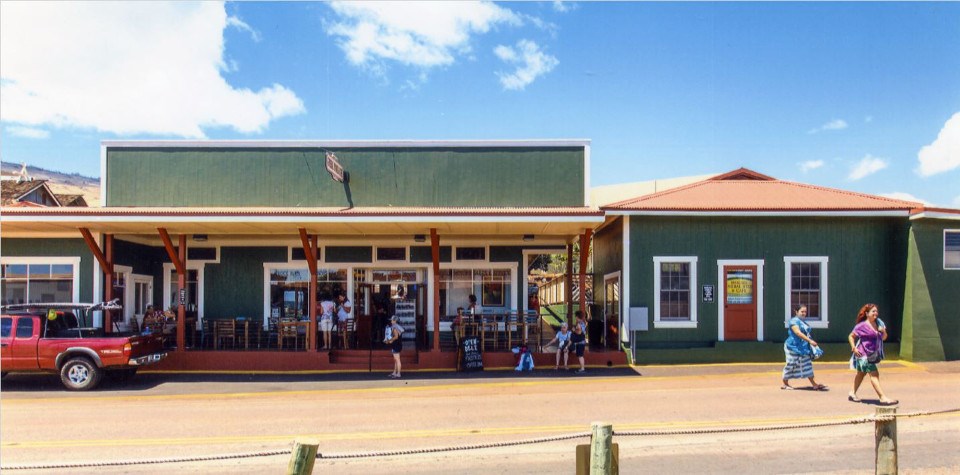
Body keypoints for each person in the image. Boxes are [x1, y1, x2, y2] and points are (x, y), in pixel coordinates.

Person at [848, 304, 897, 405]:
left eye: (876, 311)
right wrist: (854, 348)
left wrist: (883, 331)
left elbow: (883, 338)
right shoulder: (861, 326)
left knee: (861, 374)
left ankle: (852, 393)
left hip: (873, 354)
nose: (875, 313)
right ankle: (882, 397)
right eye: (873, 311)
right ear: (867, 314)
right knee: (874, 374)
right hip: (863, 354)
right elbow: (851, 336)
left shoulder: (879, 323)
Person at [781, 305, 826, 390]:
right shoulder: (793, 321)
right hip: (792, 347)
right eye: (802, 311)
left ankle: (814, 384)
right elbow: (797, 332)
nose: (804, 313)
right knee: (791, 364)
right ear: (796, 311)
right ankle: (785, 383)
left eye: (805, 312)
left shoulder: (802, 322)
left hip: (803, 348)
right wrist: (810, 341)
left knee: (807, 364)